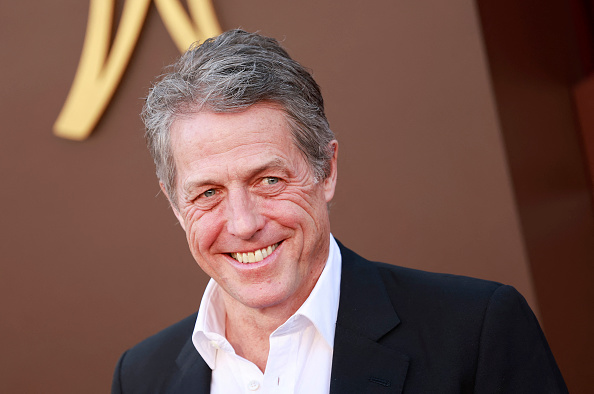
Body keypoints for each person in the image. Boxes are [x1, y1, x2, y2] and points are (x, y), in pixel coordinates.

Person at [111, 29, 568, 393]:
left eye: (269, 180)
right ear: (175, 204)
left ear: (326, 171)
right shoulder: (140, 377)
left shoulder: (475, 333)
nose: (244, 223)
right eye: (207, 192)